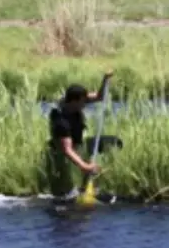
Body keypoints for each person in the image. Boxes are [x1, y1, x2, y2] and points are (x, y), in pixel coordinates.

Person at [44, 70, 123, 199]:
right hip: (67, 151)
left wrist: (105, 80)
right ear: (73, 101)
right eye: (82, 102)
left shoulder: (73, 100)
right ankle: (81, 188)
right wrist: (84, 166)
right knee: (82, 164)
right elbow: (67, 150)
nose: (85, 104)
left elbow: (99, 97)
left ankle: (97, 178)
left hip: (81, 144)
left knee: (114, 142)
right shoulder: (61, 121)